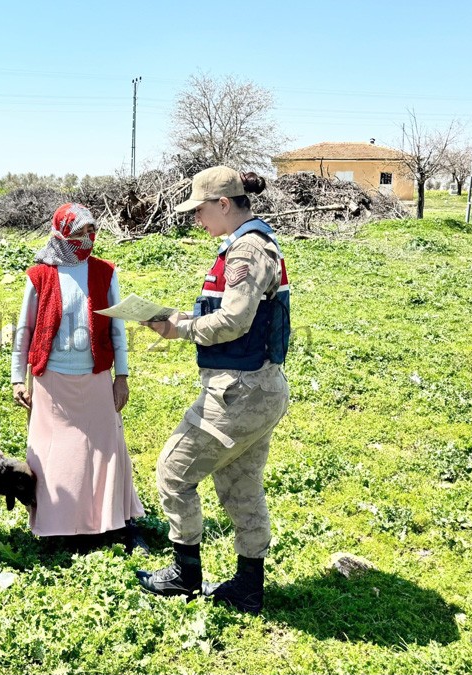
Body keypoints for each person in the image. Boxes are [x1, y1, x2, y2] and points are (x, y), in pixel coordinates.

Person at [135, 166, 291, 615]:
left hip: (238, 392)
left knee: (173, 472)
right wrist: (180, 317)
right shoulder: (254, 243)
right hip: (259, 388)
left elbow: (235, 320)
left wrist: (181, 329)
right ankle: (248, 585)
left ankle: (185, 574)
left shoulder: (244, 249)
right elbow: (237, 313)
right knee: (240, 483)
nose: (197, 221)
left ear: (224, 204)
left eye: (201, 211)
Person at [10, 203, 147, 551]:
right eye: (82, 232)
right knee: (55, 454)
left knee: (106, 450)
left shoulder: (104, 272)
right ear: (62, 234)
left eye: (92, 231)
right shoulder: (39, 275)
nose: (90, 238)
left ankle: (114, 522)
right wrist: (17, 378)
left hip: (96, 375)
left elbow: (118, 328)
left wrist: (122, 376)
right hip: (52, 381)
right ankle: (58, 527)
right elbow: (24, 331)